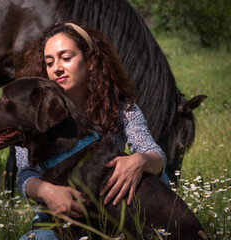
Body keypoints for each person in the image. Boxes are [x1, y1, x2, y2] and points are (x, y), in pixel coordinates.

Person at [16, 22, 170, 240]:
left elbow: (154, 153)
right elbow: (25, 172)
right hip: (59, 218)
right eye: (49, 62)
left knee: (156, 173)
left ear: (89, 62)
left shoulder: (120, 107)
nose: (56, 68)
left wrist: (141, 160)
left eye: (65, 58)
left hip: (110, 215)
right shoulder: (34, 112)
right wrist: (45, 191)